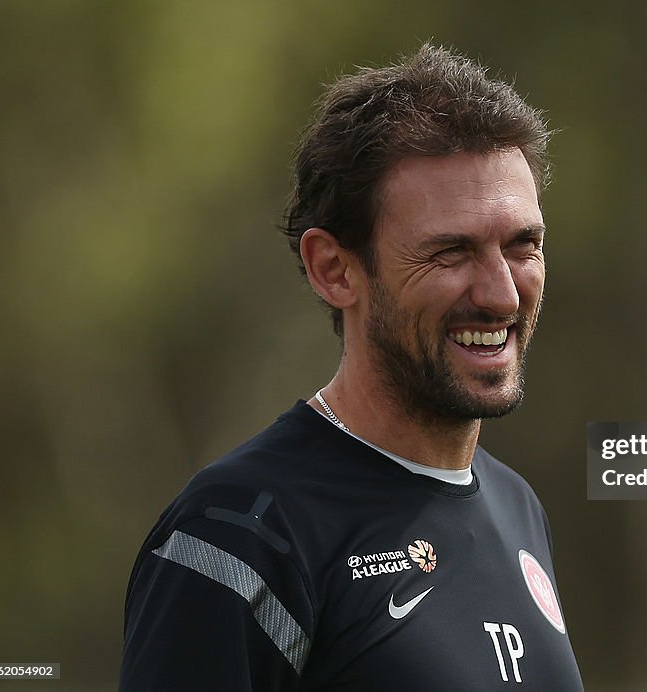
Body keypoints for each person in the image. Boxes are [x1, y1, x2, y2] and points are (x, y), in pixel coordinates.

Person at [119, 44, 583, 691]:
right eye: (451, 252)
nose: (502, 293)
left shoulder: (518, 506)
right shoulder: (238, 538)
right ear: (334, 269)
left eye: (522, 246)